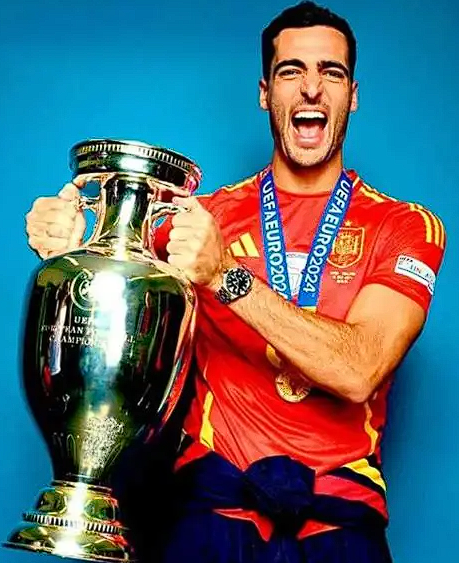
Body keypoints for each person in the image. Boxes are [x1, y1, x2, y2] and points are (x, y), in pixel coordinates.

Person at [25, 2, 445, 562]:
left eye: (332, 72)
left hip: (339, 524)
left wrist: (224, 275)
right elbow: (112, 306)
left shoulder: (405, 225)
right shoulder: (197, 221)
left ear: (354, 95)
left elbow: (359, 369)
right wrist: (76, 244)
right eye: (291, 71)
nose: (312, 88)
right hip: (213, 516)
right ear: (266, 93)